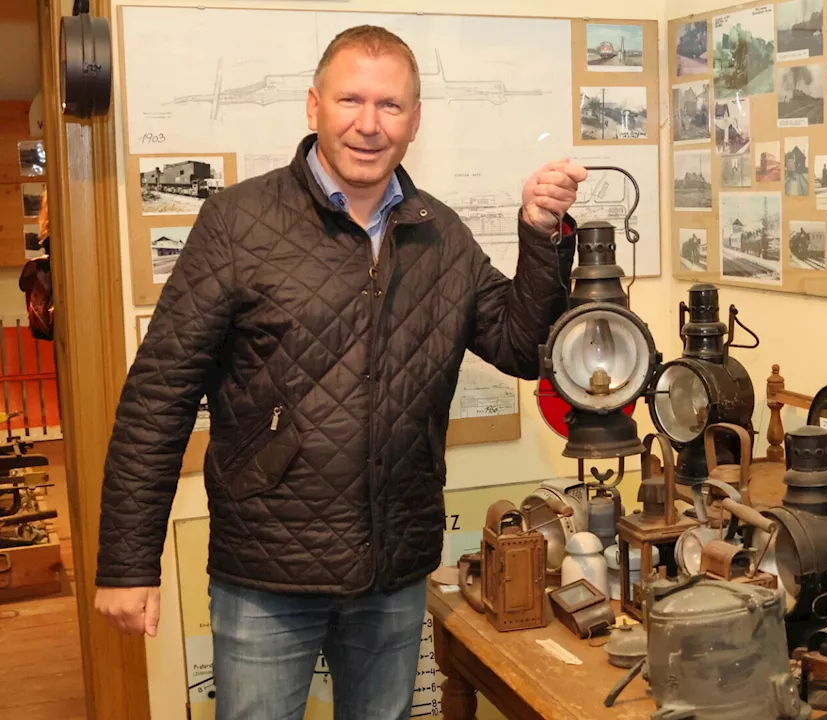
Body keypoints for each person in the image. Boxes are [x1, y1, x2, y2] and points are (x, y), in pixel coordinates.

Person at [92, 24, 587, 720]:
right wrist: (127, 562)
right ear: (313, 105)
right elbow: (158, 396)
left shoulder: (440, 235)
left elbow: (518, 344)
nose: (368, 124)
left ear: (414, 120)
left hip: (393, 570)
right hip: (266, 572)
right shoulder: (238, 223)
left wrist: (540, 234)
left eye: (390, 105)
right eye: (350, 100)